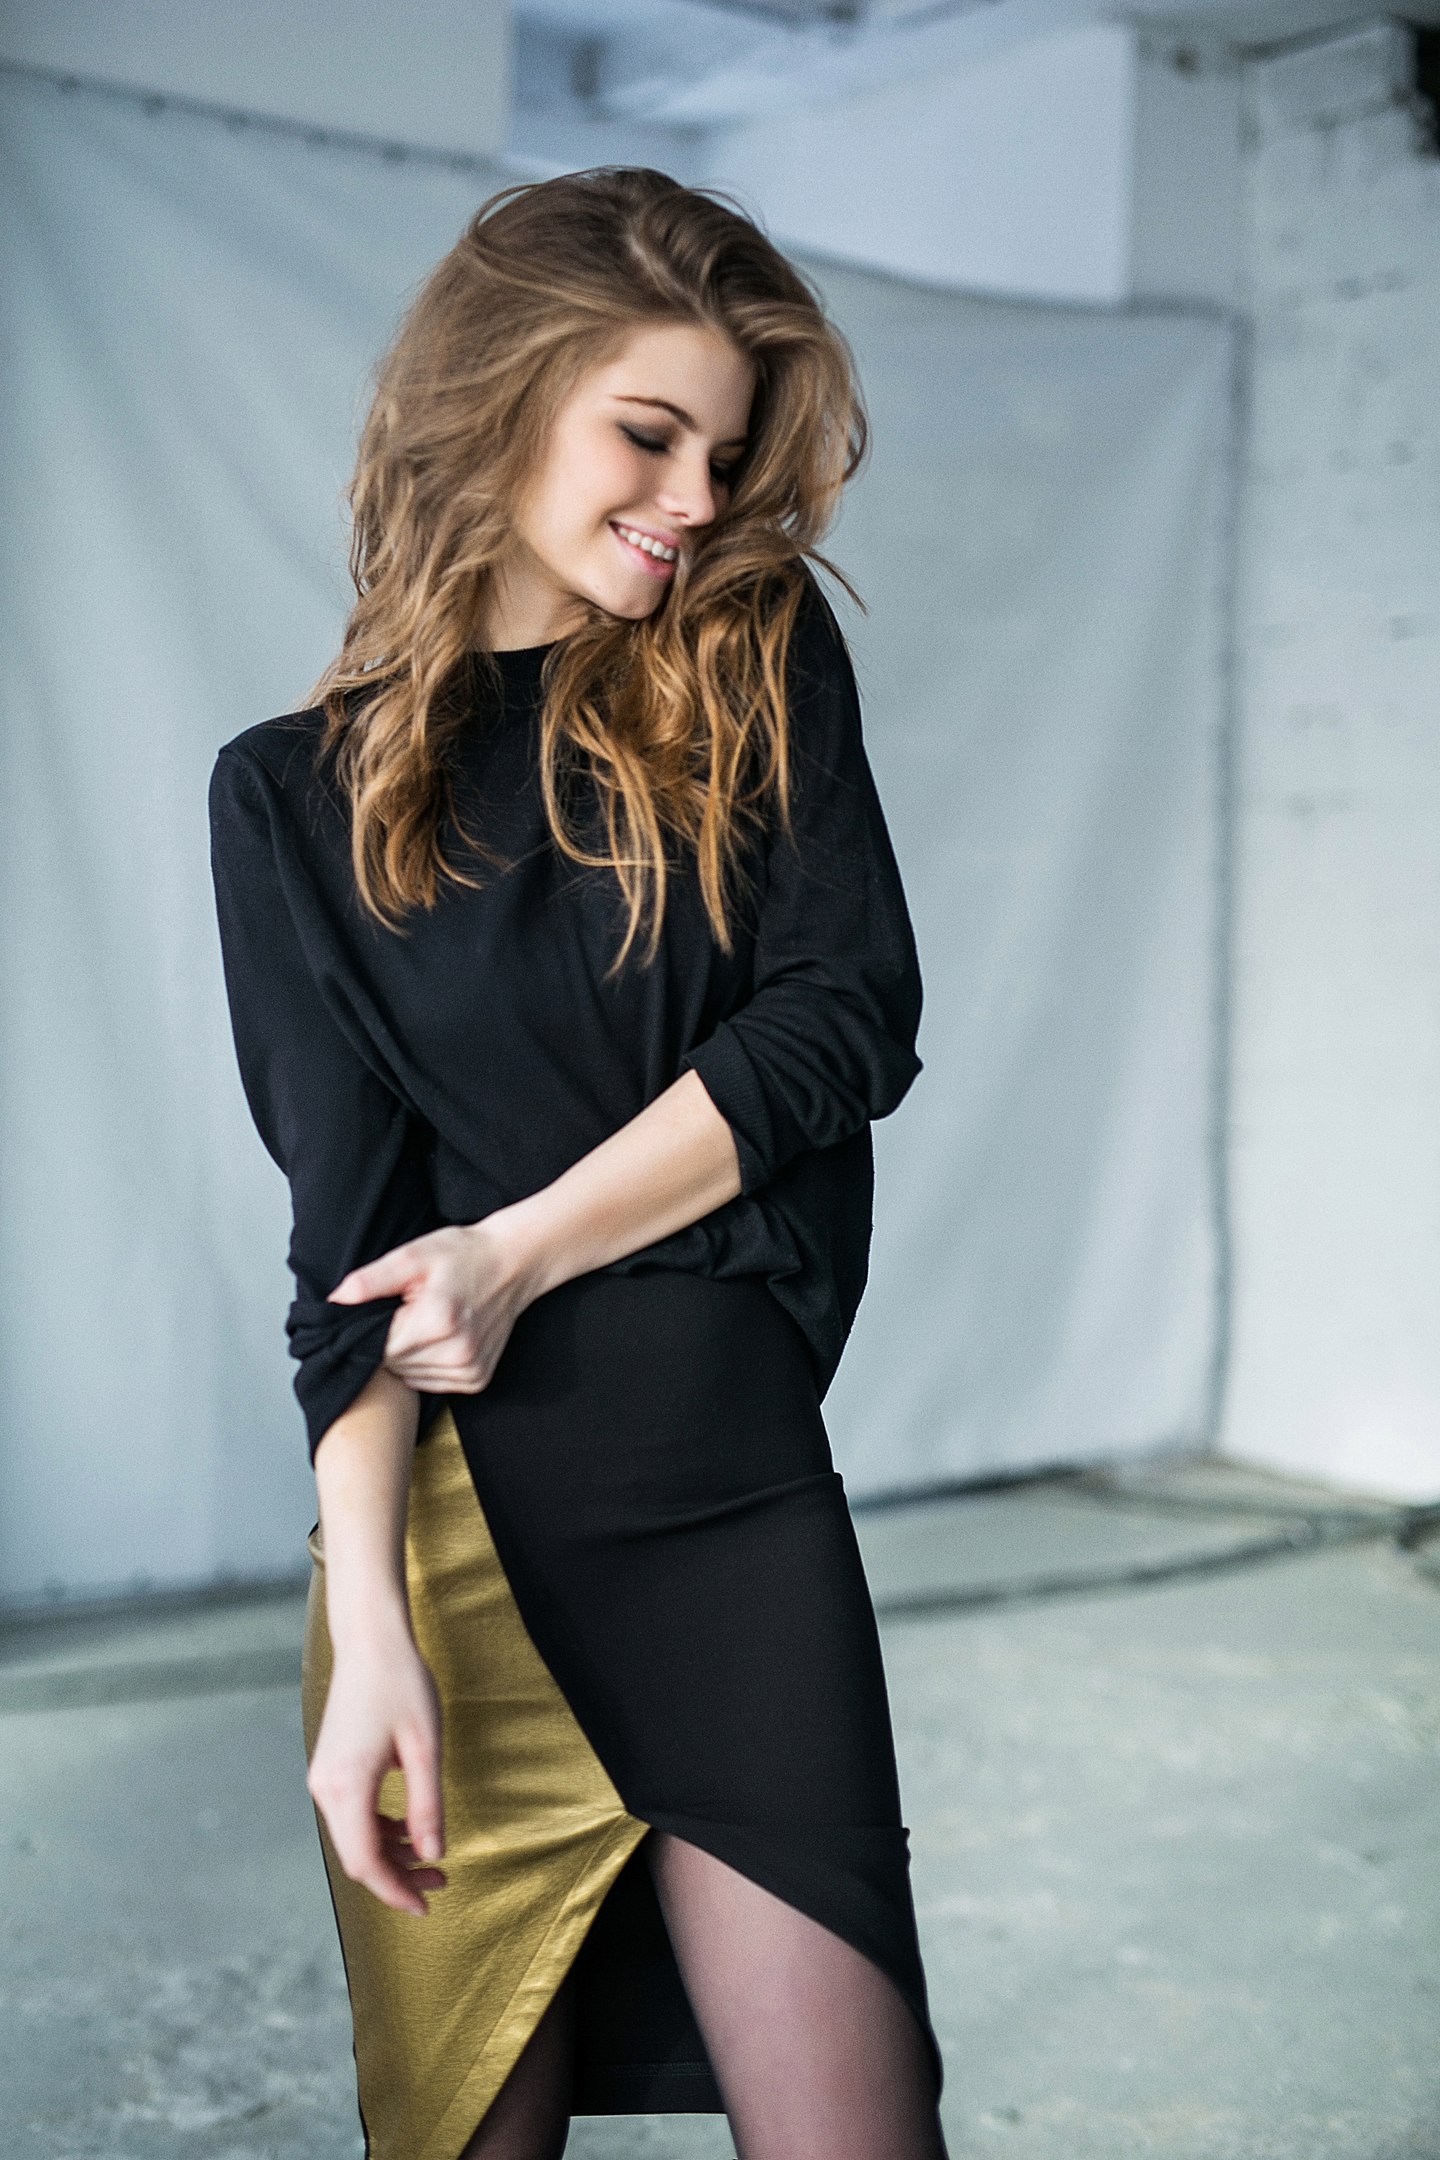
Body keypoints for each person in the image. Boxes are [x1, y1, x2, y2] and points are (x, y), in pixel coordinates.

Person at [209, 165, 945, 2160]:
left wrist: (521, 1248)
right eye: (649, 434)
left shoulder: (751, 655)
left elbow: (844, 1019)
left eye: (726, 451)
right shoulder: (287, 798)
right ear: (502, 396)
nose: (697, 498)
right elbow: (350, 1250)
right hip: (455, 1552)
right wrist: (372, 1631)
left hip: (728, 1512)